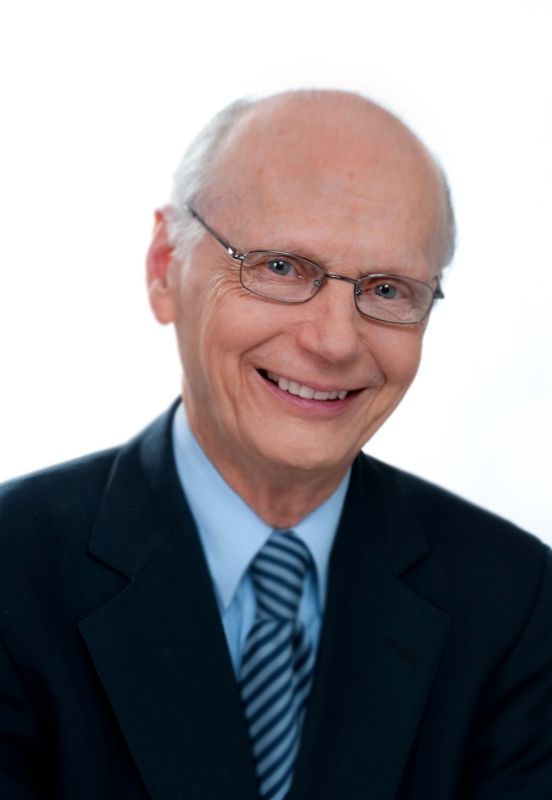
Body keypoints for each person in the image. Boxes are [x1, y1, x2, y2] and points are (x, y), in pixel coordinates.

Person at [0, 89, 550, 800]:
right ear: (165, 265)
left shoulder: (515, 603)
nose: (334, 341)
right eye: (282, 267)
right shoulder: (13, 572)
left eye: (387, 290)